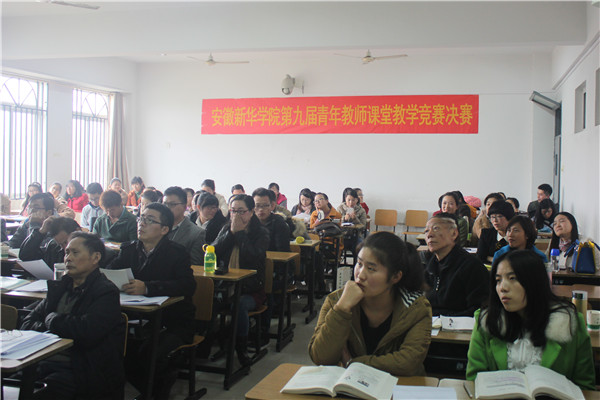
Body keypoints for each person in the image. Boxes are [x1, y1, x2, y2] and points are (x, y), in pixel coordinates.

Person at [466, 250, 595, 390]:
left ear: (534, 282)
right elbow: (474, 380)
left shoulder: (569, 323)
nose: (502, 288)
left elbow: (585, 386)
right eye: (498, 280)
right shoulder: (488, 321)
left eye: (512, 278)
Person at [309, 232, 432, 376]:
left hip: (399, 385)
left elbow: (408, 363)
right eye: (359, 264)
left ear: (395, 276)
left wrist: (352, 364)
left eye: (371, 268)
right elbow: (320, 357)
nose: (360, 275)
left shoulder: (416, 308)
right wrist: (342, 309)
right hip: (350, 385)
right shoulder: (337, 300)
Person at [21, 232, 125, 399]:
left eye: (75, 253)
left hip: (79, 367)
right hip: (41, 360)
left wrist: (52, 321)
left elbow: (86, 331)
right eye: (67, 253)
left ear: (95, 257)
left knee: (41, 393)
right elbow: (27, 323)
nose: (68, 258)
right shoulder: (60, 287)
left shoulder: (105, 292)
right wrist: (52, 326)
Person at [108, 202, 196, 399]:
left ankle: (157, 391)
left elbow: (187, 285)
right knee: (114, 348)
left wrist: (148, 287)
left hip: (173, 321)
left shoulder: (177, 253)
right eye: (141, 218)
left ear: (164, 229)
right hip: (135, 319)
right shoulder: (129, 249)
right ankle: (152, 390)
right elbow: (110, 273)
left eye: (149, 220)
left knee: (150, 353)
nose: (142, 223)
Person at [212, 194, 269, 366]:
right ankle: (210, 343)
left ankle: (241, 347)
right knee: (206, 300)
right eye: (233, 211)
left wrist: (240, 234)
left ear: (251, 212)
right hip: (225, 285)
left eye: (241, 211)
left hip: (251, 289)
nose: (236, 215)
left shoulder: (261, 233)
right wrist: (231, 233)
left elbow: (254, 257)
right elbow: (213, 251)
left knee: (239, 305)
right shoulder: (226, 228)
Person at [424, 213, 489, 316]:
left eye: (436, 228)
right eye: (426, 231)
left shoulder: (471, 266)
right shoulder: (431, 265)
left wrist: (440, 316)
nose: (429, 235)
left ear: (454, 234)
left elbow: (478, 310)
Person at [163, 186, 204, 265]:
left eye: (172, 204)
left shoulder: (196, 234)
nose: (167, 208)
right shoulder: (156, 227)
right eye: (165, 204)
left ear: (184, 207)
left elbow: (196, 267)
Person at [252, 187, 290, 252]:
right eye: (257, 206)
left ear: (272, 206)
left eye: (265, 205)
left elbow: (282, 252)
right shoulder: (249, 222)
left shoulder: (279, 223)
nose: (261, 209)